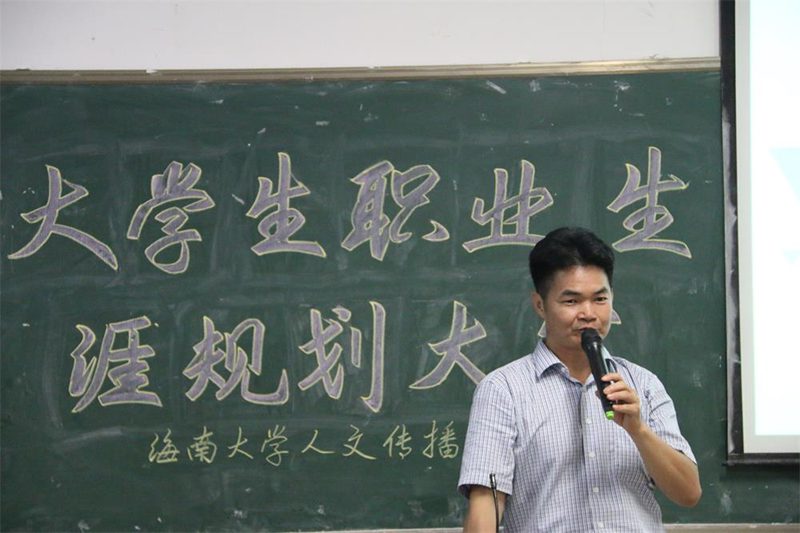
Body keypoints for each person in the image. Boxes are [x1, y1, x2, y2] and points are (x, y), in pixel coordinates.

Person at [458, 226, 701, 532]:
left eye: (600, 299)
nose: (588, 313)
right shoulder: (503, 389)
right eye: (571, 302)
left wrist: (638, 430)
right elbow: (486, 503)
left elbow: (688, 493)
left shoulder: (644, 384)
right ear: (540, 305)